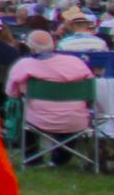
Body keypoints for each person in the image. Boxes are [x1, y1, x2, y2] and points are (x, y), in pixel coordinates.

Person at [7, 29, 94, 165]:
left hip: (38, 121)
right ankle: (60, 159)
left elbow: (12, 93)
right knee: (69, 114)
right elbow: (90, 88)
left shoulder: (24, 65)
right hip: (76, 119)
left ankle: (32, 158)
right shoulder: (76, 62)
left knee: (21, 108)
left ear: (31, 48)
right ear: (53, 44)